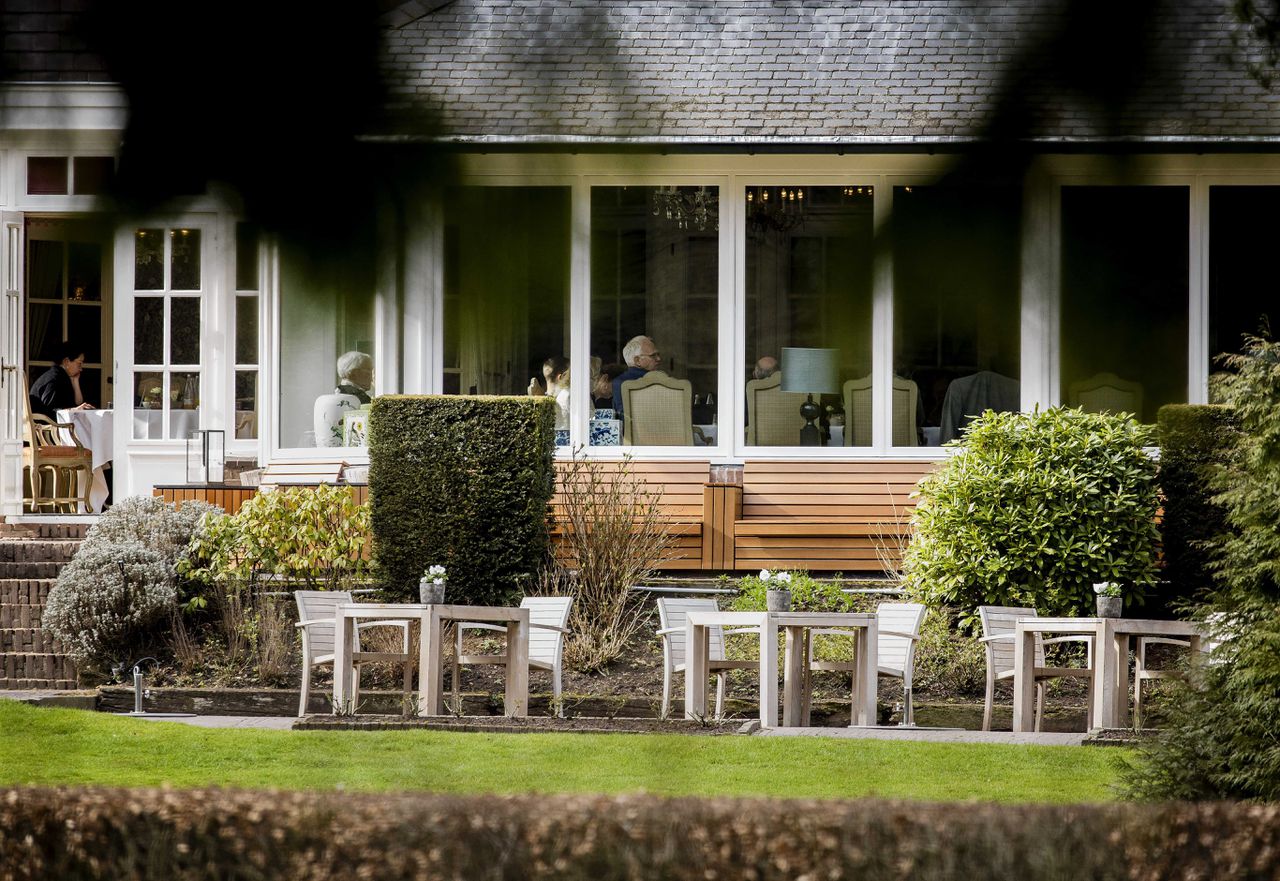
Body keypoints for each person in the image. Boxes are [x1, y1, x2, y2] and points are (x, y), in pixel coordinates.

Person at [29, 341, 94, 420]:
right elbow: (49, 412)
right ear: (66, 362)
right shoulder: (54, 379)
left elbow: (77, 403)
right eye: (79, 363)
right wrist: (73, 410)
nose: (81, 368)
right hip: (45, 428)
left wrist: (75, 381)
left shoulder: (61, 376)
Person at [611, 335, 662, 418]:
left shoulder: (618, 383)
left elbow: (623, 420)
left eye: (658, 354)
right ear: (637, 360)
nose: (659, 359)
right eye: (653, 356)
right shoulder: (661, 381)